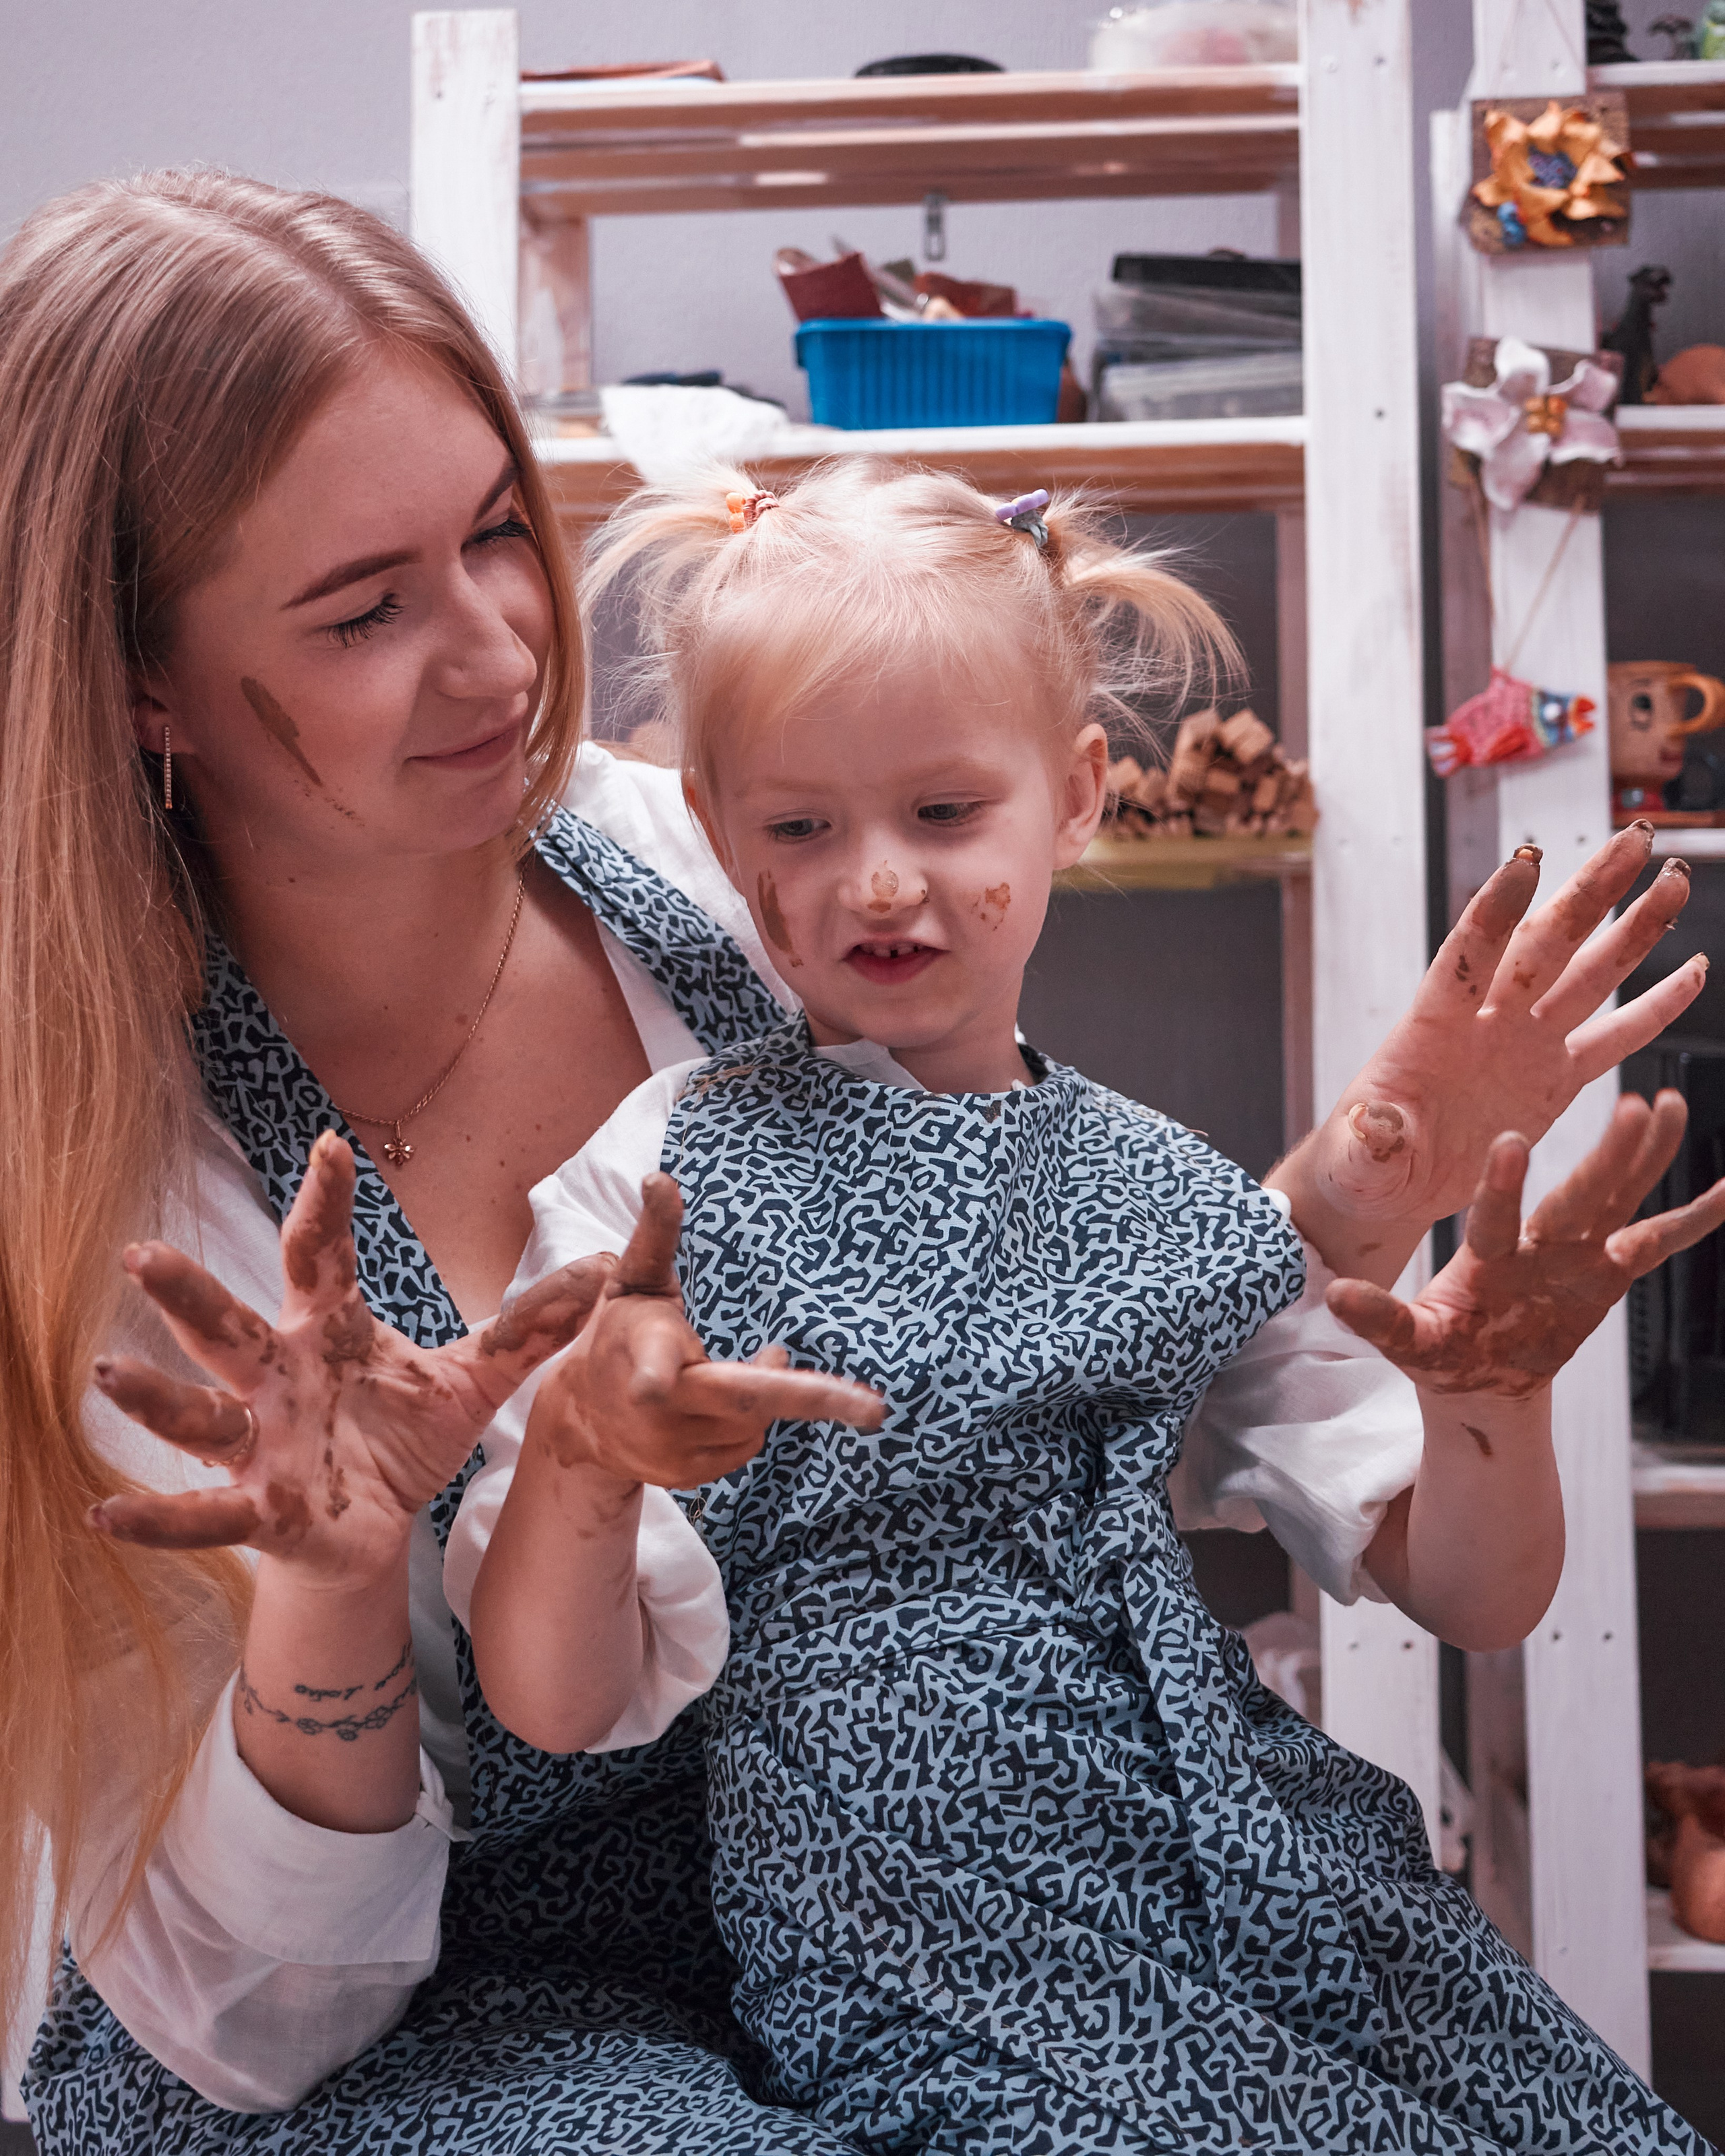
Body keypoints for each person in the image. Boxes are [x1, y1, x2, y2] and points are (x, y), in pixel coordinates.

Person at [0, 169, 1700, 2154]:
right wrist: (337, 1590)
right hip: (422, 2022)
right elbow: (260, 2016)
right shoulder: (102, 1196)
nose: (499, 659)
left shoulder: (721, 850)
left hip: (901, 1920)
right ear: (135, 678)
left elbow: (1015, 1337)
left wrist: (1358, 1188)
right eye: (365, 609)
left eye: (497, 536)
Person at [447, 464, 1722, 2155]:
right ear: (720, 833)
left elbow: (1473, 1593)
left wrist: (1491, 1402)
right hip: (903, 1927)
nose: (875, 881)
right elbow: (547, 1700)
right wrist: (587, 1457)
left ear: (1074, 796)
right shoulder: (651, 1184)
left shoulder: (1171, 1193)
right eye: (801, 828)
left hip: (1251, 1873)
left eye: (941, 812)